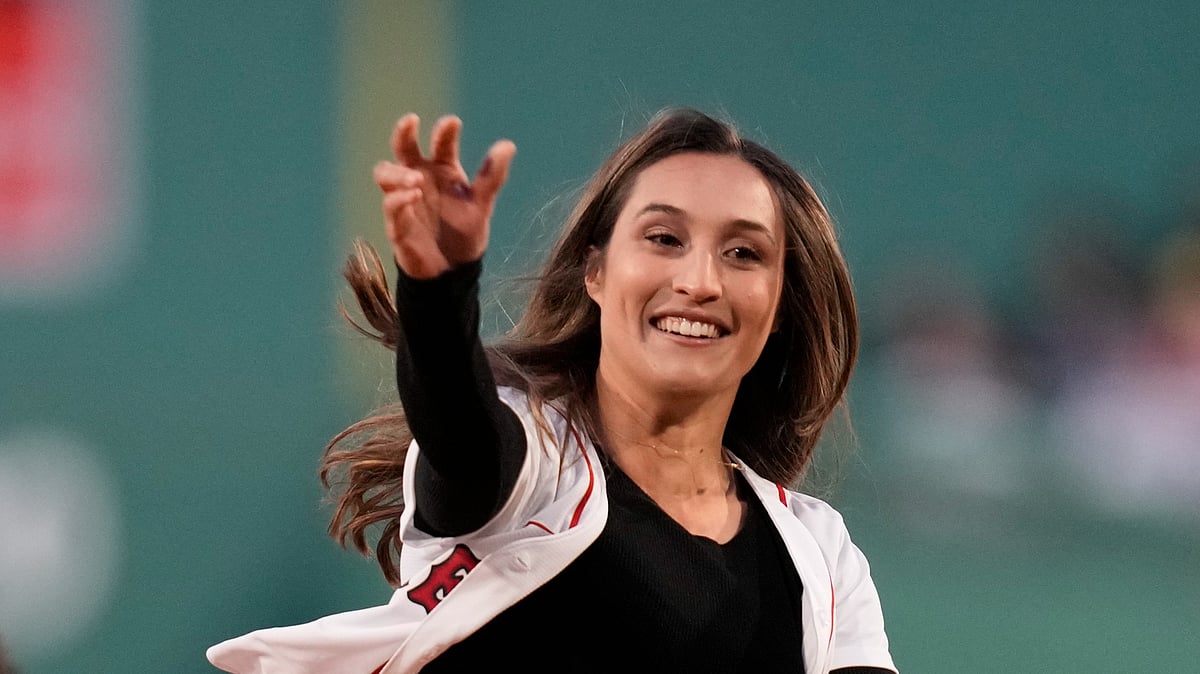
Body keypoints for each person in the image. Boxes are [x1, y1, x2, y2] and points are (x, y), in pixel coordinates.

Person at [208, 109, 897, 673]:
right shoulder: (529, 466)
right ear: (595, 273)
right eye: (663, 238)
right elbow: (459, 425)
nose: (700, 281)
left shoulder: (818, 555)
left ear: (779, 308)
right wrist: (440, 287)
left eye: (743, 253)